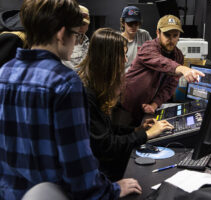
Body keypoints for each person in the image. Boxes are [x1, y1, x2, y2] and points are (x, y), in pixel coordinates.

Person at [0, 0, 141, 199]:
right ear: (61, 34)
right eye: (76, 34)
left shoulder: (4, 72)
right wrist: (113, 189)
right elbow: (77, 165)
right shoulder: (64, 82)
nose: (76, 41)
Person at [77, 28, 174, 181]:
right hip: (100, 176)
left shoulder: (96, 87)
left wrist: (136, 129)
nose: (125, 60)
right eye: (122, 54)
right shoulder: (86, 95)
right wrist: (146, 134)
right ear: (108, 58)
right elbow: (106, 146)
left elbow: (106, 129)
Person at [121, 15, 205, 126]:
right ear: (158, 33)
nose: (171, 40)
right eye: (167, 35)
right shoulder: (148, 47)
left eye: (175, 35)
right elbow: (160, 62)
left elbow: (170, 86)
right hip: (126, 106)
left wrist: (155, 104)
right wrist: (182, 69)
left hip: (145, 109)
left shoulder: (178, 56)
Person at [120, 6, 152, 72]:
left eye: (136, 23)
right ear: (123, 23)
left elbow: (153, 54)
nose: (134, 26)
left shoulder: (144, 34)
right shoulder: (117, 40)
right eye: (130, 23)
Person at [63, 5, 90, 70]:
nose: (80, 27)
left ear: (88, 25)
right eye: (77, 23)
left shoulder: (89, 43)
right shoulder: (63, 44)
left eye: (83, 24)